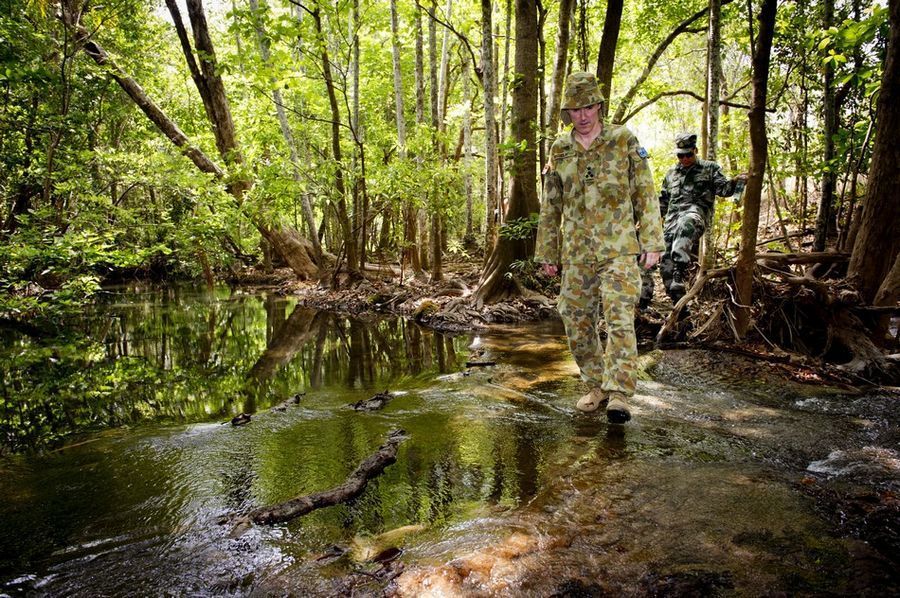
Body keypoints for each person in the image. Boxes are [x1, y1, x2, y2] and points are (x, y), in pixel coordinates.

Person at [535, 72, 664, 424]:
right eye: (575, 109)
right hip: (576, 251)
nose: (583, 115)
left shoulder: (623, 139)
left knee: (619, 315)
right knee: (575, 317)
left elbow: (645, 192)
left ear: (599, 106)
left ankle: (620, 393)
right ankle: (597, 385)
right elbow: (551, 204)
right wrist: (547, 252)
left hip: (619, 247)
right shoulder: (559, 149)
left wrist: (652, 240)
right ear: (567, 113)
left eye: (589, 106)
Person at [639, 132, 746, 308]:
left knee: (685, 223)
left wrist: (738, 182)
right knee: (666, 267)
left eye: (689, 154)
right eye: (681, 155)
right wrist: (647, 220)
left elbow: (725, 191)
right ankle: (680, 309)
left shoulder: (709, 168)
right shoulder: (671, 174)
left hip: (694, 216)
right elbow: (664, 202)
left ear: (695, 150)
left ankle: (679, 272)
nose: (685, 158)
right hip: (671, 224)